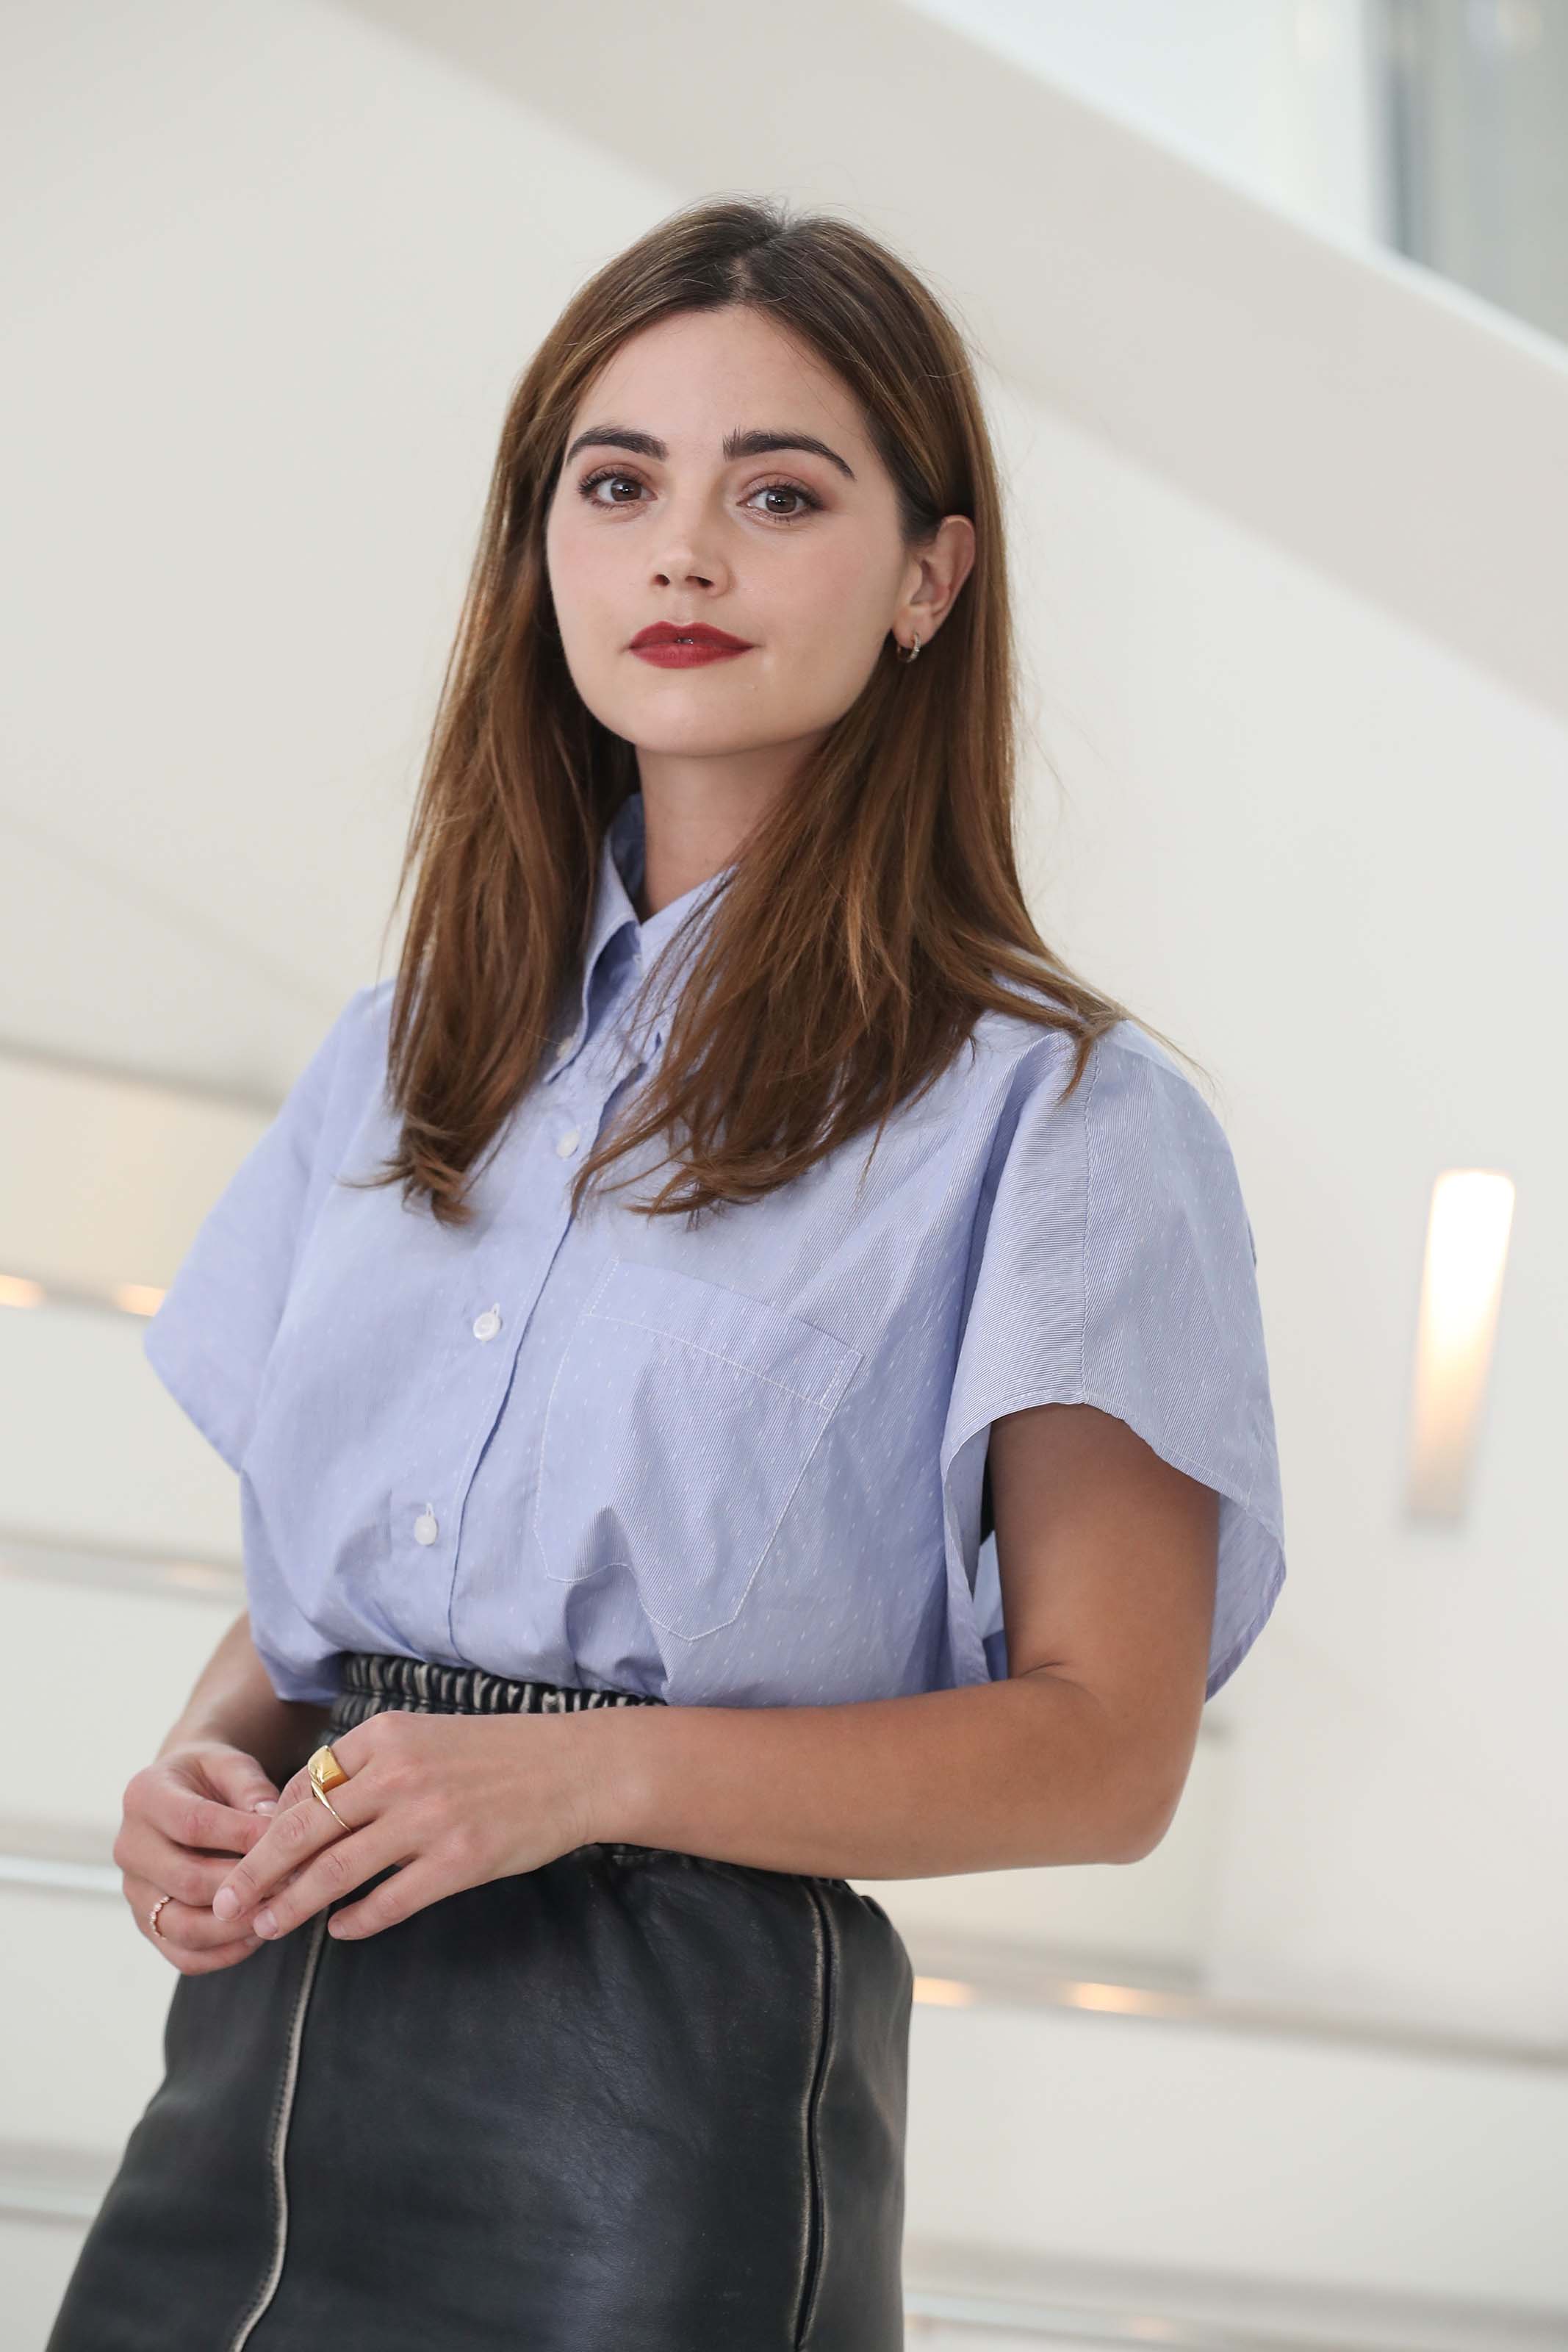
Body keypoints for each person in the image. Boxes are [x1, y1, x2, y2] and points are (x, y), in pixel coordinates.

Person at [46, 195, 1287, 2351]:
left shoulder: (1061, 1120)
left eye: (778, 492)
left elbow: (1108, 1753)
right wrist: (205, 1766)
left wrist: (589, 1772)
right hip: (267, 2056)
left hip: (655, 2100)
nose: (680, 556)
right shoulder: (403, 1042)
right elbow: (356, 1555)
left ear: (930, 577)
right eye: (615, 485)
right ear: (543, 550)